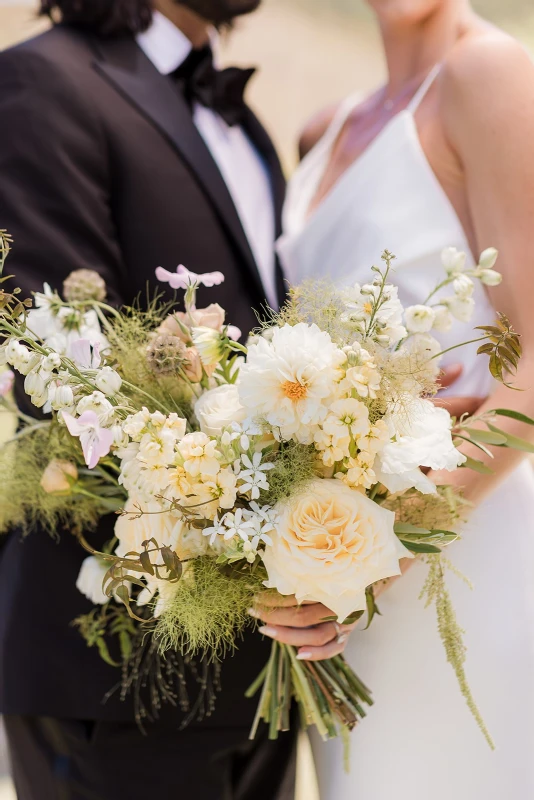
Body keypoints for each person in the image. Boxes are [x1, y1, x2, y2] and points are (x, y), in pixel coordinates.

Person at [0, 1, 354, 797]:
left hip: (261, 671)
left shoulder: (246, 127)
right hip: (112, 674)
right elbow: (68, 382)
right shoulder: (40, 84)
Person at [273, 0, 534, 797]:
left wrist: (388, 549)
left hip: (470, 555)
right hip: (337, 593)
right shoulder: (323, 130)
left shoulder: (491, 75)